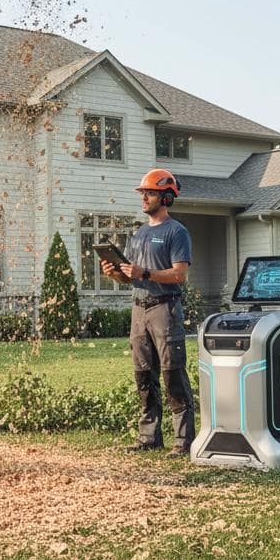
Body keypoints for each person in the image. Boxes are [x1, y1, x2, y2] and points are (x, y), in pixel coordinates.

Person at [100, 168, 195, 455]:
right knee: (143, 375)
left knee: (172, 373)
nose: (144, 198)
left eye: (150, 193)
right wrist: (114, 274)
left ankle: (183, 440)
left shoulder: (176, 232)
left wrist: (147, 272)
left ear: (166, 197)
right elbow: (132, 278)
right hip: (139, 310)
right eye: (143, 193)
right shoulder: (139, 234)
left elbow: (180, 274)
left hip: (165, 308)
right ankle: (149, 438)